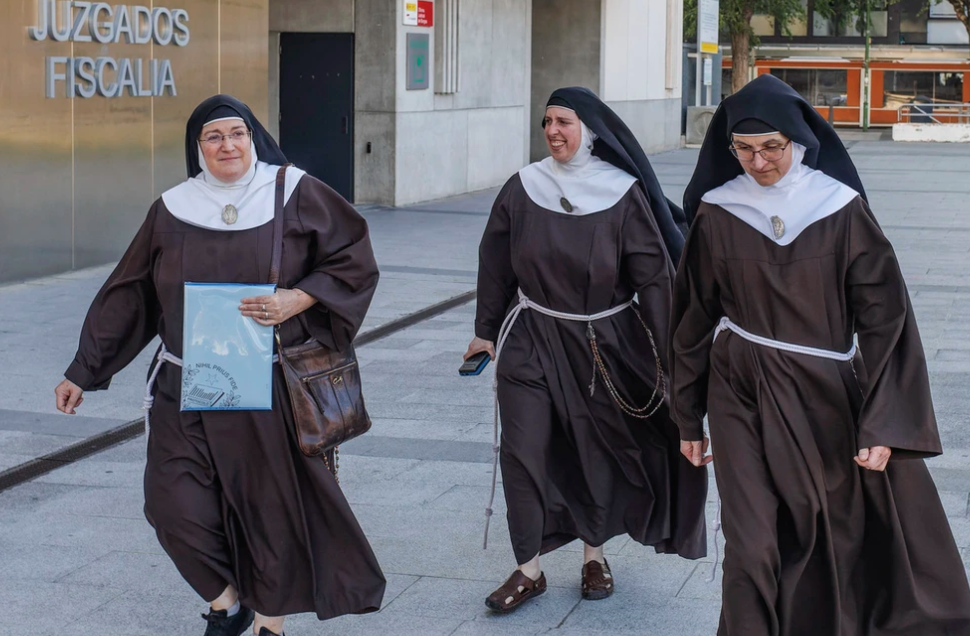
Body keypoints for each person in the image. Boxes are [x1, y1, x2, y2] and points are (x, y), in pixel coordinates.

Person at [54, 95, 386, 636]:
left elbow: (354, 257)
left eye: (237, 133)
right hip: (184, 382)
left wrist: (296, 299)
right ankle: (228, 602)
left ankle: (269, 626)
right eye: (214, 136)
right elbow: (130, 294)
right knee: (171, 505)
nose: (227, 145)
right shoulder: (173, 207)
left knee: (268, 508)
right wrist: (82, 370)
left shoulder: (293, 191)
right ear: (198, 147)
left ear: (253, 137)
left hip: (265, 382)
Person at [671, 74, 970, 635]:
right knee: (751, 540)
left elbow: (887, 321)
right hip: (739, 386)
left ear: (799, 141)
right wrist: (687, 412)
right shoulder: (718, 211)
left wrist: (884, 422)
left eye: (771, 148)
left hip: (824, 390)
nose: (758, 162)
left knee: (826, 527)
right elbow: (691, 317)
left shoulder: (840, 208)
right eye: (744, 149)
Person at [465, 87, 707, 614]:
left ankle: (594, 556)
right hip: (530, 336)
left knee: (591, 451)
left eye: (565, 122)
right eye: (547, 121)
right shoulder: (523, 186)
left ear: (590, 131)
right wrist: (486, 329)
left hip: (602, 345)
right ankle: (528, 568)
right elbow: (495, 262)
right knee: (523, 451)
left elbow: (656, 281)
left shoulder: (621, 194)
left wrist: (672, 361)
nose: (553, 131)